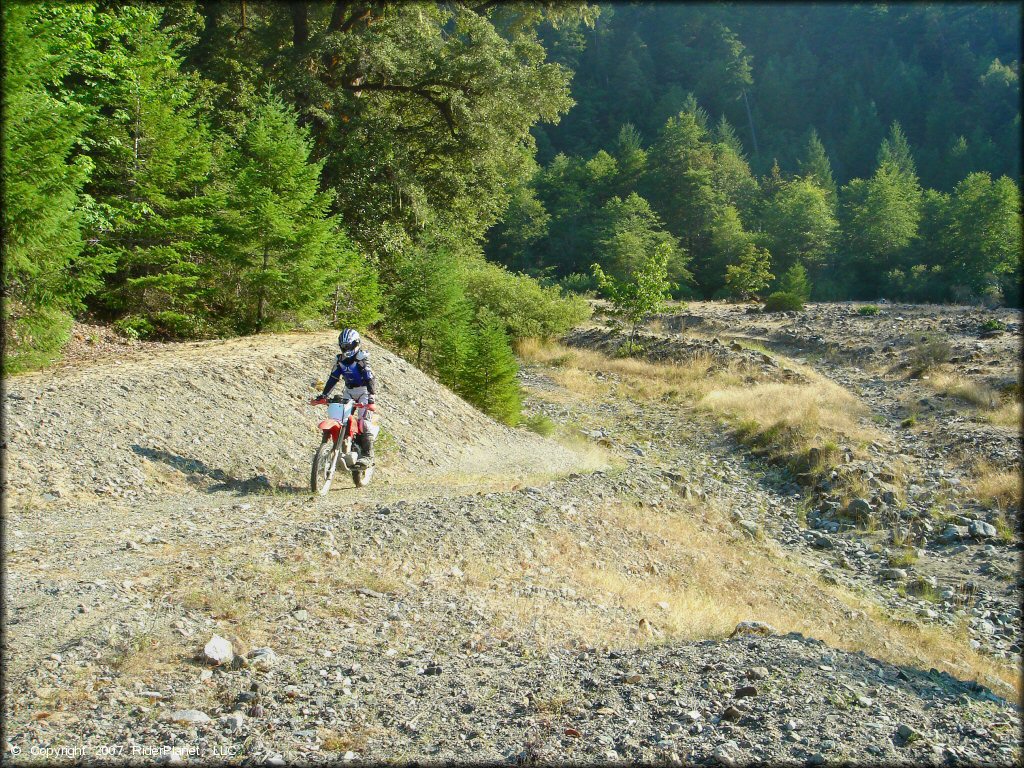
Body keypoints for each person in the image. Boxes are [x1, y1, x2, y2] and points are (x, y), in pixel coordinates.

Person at [309, 328, 378, 466]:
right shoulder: (340, 360)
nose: (346, 349)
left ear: (356, 343)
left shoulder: (361, 359)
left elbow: (369, 378)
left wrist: (371, 398)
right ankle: (343, 447)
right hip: (348, 391)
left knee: (363, 422)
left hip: (364, 391)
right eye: (344, 346)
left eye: (349, 345)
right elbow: (333, 378)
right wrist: (324, 395)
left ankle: (368, 455)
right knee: (342, 419)